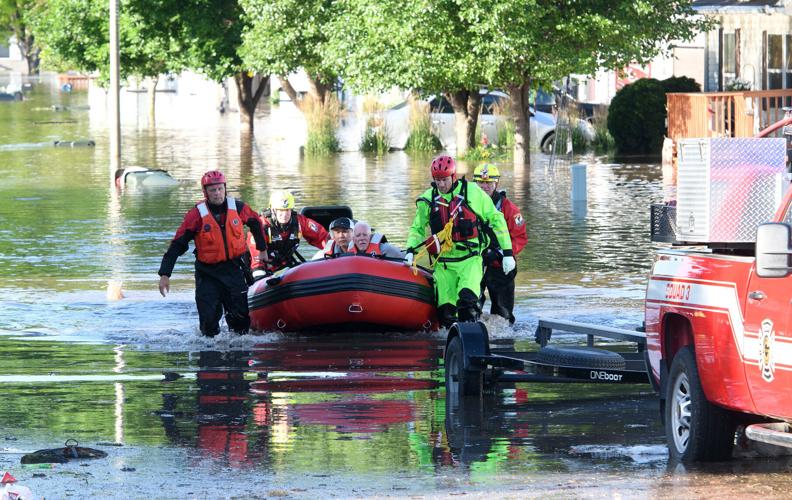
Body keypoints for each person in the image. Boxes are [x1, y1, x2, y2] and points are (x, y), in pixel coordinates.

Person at [406, 155, 514, 327]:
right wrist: (410, 250)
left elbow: (496, 220)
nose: (441, 184)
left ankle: (472, 343)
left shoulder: (473, 193)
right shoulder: (428, 200)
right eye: (437, 180)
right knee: (446, 313)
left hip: (469, 260)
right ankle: (449, 348)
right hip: (444, 264)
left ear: (453, 176)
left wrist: (507, 252)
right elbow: (417, 228)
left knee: (467, 305)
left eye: (444, 180)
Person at [157, 170, 267, 337]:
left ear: (225, 188)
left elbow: (256, 223)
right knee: (209, 323)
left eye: (220, 189)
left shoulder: (238, 207)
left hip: (234, 269)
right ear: (205, 192)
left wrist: (262, 249)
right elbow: (178, 244)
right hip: (208, 273)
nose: (217, 194)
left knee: (241, 323)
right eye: (213, 190)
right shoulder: (196, 215)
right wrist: (165, 274)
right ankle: (209, 355)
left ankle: (239, 357)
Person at [473, 164, 528, 324]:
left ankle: (504, 342)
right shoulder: (466, 205)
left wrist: (504, 254)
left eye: (489, 183)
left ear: (496, 183)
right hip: (474, 263)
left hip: (500, 264)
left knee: (503, 313)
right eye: (481, 183)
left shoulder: (509, 208)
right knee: (470, 306)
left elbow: (520, 237)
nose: (485, 187)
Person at [248, 189, 328, 277]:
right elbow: (256, 258)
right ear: (273, 210)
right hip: (263, 270)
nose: (284, 214)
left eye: (287, 210)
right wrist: (259, 276)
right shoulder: (261, 227)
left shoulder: (300, 222)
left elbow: (322, 236)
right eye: (280, 211)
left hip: (286, 268)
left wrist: (334, 249)